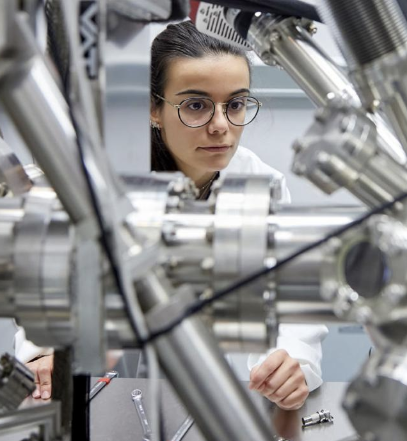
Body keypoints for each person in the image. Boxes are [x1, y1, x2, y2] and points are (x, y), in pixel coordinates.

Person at [20, 20, 326, 411]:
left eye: (235, 105)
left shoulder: (260, 184)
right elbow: (51, 275)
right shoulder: (103, 177)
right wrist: (46, 353)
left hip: (222, 398)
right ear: (154, 108)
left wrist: (292, 361)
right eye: (196, 106)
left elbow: (288, 294)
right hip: (112, 391)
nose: (221, 126)